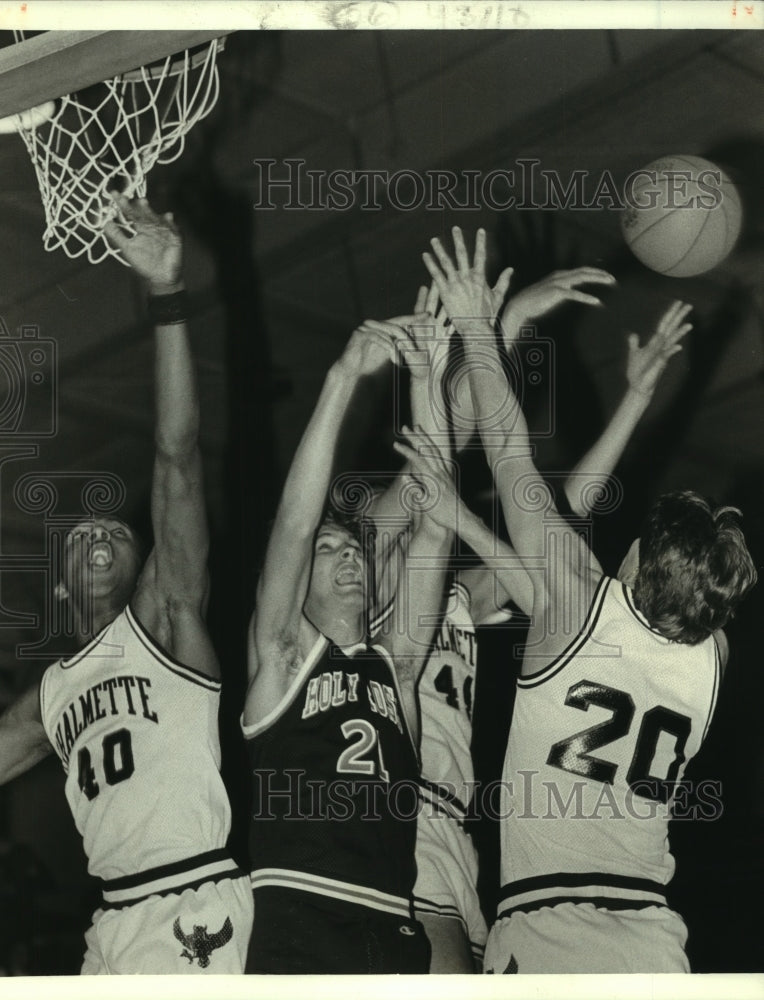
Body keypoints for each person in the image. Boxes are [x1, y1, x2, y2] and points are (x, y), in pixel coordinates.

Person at [420, 226, 757, 974]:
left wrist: (481, 326)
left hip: (552, 926)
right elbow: (558, 551)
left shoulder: (576, 600)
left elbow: (510, 452)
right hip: (648, 936)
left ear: (636, 561)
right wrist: (466, 521)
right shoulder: (711, 655)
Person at [370, 271, 690, 971]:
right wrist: (499, 326)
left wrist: (634, 400)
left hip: (458, 831)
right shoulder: (368, 574)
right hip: (396, 814)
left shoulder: (458, 597)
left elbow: (561, 523)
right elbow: (437, 452)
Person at [0, 196, 253, 975]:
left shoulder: (166, 617)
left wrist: (167, 295)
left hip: (191, 902)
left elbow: (177, 455)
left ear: (149, 565)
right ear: (64, 591)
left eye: (117, 532)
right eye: (82, 536)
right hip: (110, 924)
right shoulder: (50, 695)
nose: (99, 531)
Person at [241, 311, 452, 974]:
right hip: (301, 917)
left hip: (393, 924)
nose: (347, 556)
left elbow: (437, 526)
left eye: (356, 547)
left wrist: (426, 380)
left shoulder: (399, 669)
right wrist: (341, 378)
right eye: (328, 550)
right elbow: (294, 526)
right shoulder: (281, 656)